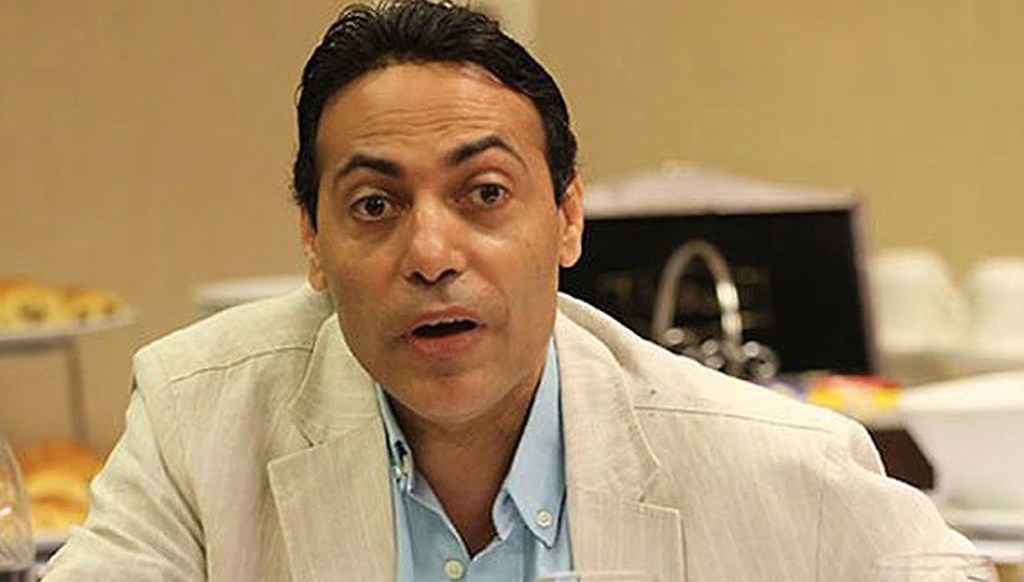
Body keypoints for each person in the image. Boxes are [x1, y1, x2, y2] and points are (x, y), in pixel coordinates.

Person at [44, 1, 971, 581]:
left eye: (484, 193)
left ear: (567, 218)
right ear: (313, 245)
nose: (431, 253)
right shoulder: (199, 418)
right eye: (374, 205)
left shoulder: (770, 462)